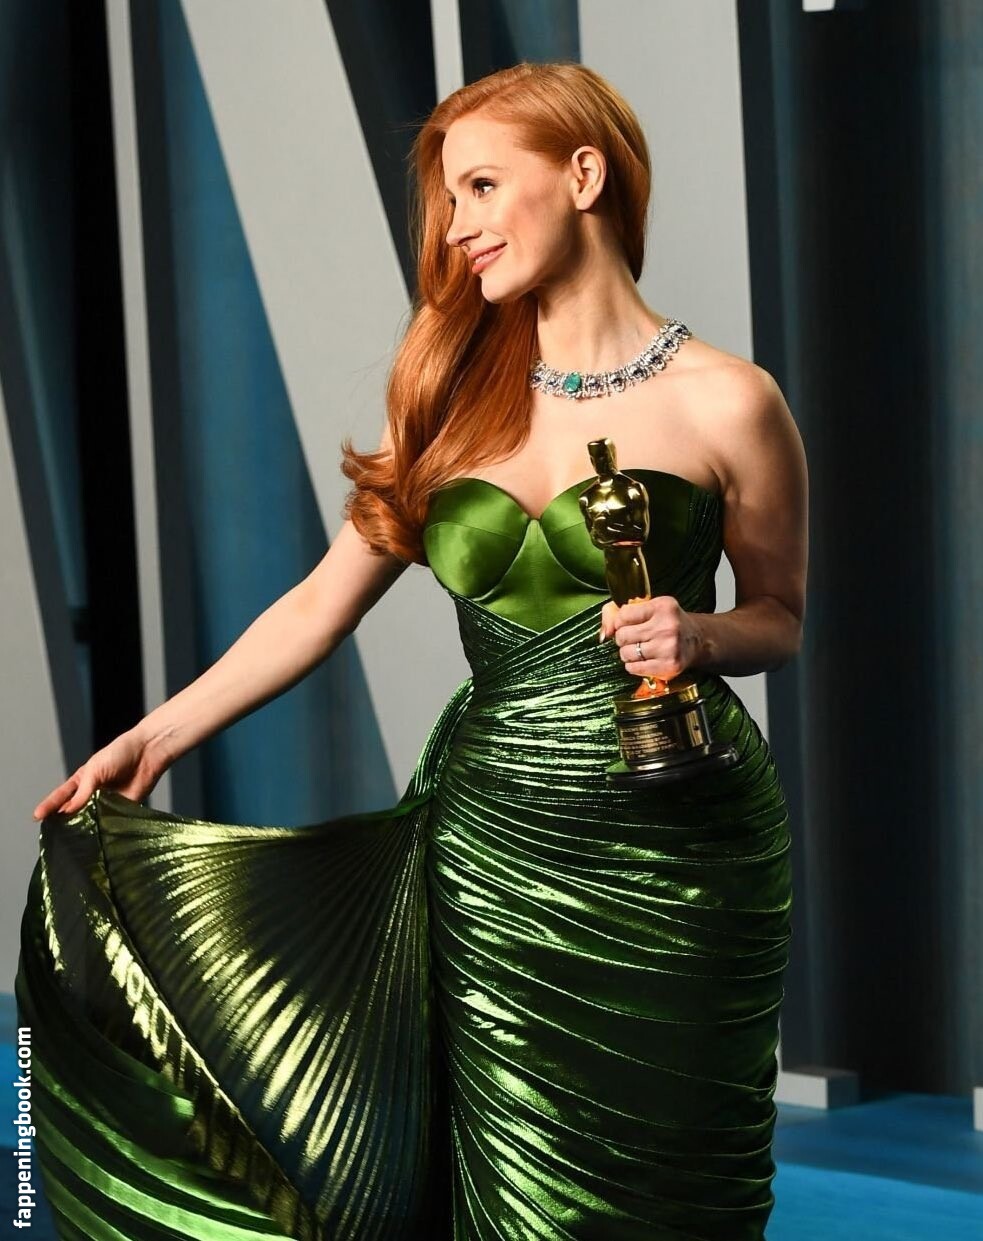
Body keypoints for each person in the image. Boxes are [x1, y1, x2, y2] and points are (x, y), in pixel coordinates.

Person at [18, 60, 807, 1241]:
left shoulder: (730, 402)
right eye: (447, 199)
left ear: (582, 174)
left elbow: (779, 615)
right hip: (493, 852)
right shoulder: (448, 395)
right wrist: (155, 733)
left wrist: (700, 632)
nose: (455, 225)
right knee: (514, 1196)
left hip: (683, 853)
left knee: (672, 1191)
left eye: (481, 186)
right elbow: (317, 606)